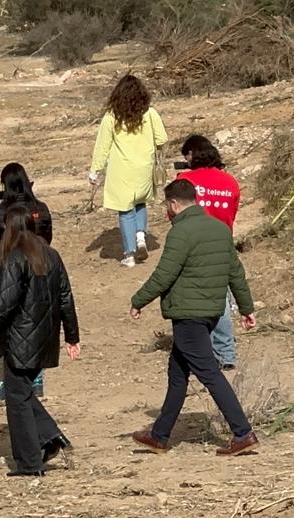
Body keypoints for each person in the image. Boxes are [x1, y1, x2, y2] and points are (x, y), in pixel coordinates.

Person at [130, 178, 259, 457]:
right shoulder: (219, 228)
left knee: (210, 374)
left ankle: (242, 432)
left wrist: (139, 300)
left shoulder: (180, 233)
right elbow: (235, 272)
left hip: (189, 315)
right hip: (211, 311)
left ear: (174, 204)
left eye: (167, 206)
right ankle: (160, 435)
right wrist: (246, 309)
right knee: (177, 374)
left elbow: (164, 274)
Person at [0, 204, 81, 476]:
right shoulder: (52, 255)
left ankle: (31, 462)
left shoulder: (14, 258)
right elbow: (66, 297)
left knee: (17, 400)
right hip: (46, 337)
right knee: (23, 393)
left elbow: (4, 305)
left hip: (20, 338)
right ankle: (50, 438)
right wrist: (72, 336)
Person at [0, 163, 54, 400]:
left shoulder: (2, 211)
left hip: (5, 271)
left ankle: (11, 381)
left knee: (7, 326)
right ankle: (36, 378)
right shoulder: (41, 209)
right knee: (35, 324)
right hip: (38, 269)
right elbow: (48, 239)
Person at [175, 135, 243, 369]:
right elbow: (232, 214)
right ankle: (226, 353)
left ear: (192, 155)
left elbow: (174, 214)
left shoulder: (185, 180)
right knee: (221, 299)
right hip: (222, 244)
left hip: (191, 244)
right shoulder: (230, 182)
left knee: (191, 301)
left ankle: (201, 351)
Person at [89, 74, 168, 268]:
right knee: (140, 204)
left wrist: (94, 171)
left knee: (125, 211)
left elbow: (102, 147)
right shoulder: (150, 113)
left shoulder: (111, 117)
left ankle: (129, 254)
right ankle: (141, 235)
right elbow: (162, 139)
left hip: (121, 170)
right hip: (144, 168)